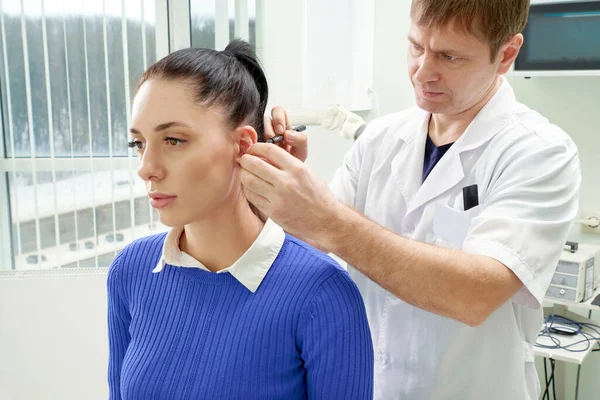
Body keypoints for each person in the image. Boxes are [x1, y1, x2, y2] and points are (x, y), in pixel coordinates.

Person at [238, 1, 581, 399]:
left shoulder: (540, 152)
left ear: (506, 54)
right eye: (416, 47)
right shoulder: (379, 140)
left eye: (449, 56)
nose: (422, 71)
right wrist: (280, 183)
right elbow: (308, 241)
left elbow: (475, 295)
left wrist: (327, 219)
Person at [106, 39, 373, 400]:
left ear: (243, 145)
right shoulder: (131, 270)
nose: (146, 169)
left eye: (173, 140)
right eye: (138, 144)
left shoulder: (322, 294)